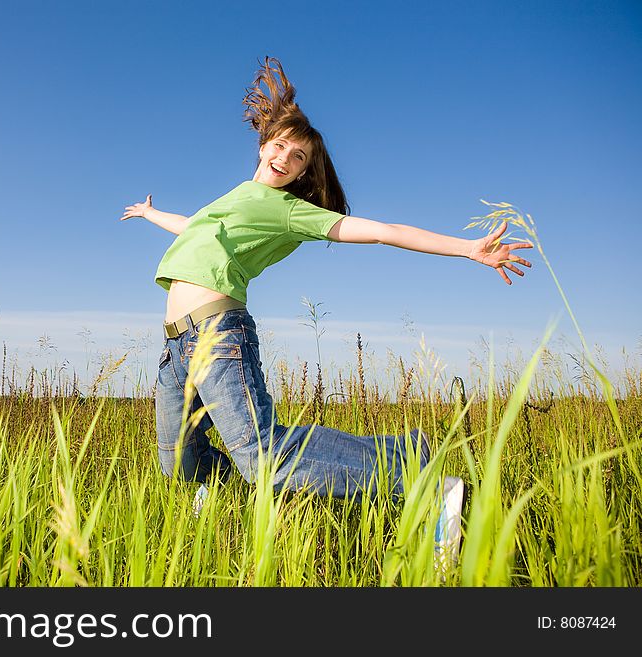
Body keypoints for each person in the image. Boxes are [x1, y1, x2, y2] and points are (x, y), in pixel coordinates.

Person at [119, 57, 532, 562]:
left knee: (260, 451)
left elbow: (383, 231)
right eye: (280, 146)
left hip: (215, 334)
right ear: (263, 144)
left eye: (298, 157)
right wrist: (147, 212)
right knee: (179, 460)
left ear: (302, 171)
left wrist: (467, 249)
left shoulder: (290, 210)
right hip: (175, 347)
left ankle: (420, 480)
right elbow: (191, 227)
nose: (285, 158)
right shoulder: (229, 203)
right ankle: (233, 521)